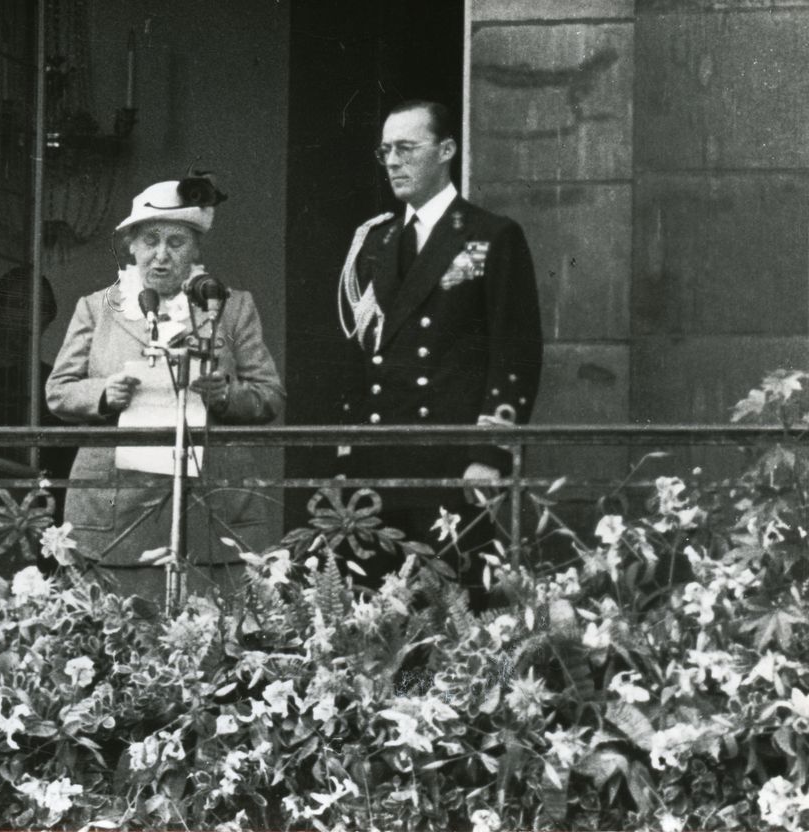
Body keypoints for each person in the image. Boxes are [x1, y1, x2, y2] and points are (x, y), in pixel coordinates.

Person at [335, 100, 542, 601]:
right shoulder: (375, 240)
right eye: (385, 150)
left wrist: (490, 453)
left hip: (452, 466)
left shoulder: (486, 236)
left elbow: (514, 351)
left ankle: (427, 688)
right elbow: (360, 356)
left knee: (448, 612)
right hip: (377, 465)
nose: (392, 161)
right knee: (370, 618)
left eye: (406, 148)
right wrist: (344, 452)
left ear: (446, 149)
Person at [47, 178, 286, 604]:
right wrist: (104, 393)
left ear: (196, 250)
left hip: (209, 508)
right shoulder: (99, 307)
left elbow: (269, 395)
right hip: (116, 505)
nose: (161, 255)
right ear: (130, 247)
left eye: (176, 242)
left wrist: (224, 394)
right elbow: (59, 391)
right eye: (150, 241)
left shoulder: (230, 307)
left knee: (208, 632)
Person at [0, 266, 76, 522]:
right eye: (18, 305)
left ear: (48, 318)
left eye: (38, 309)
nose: (27, 317)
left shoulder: (57, 388)